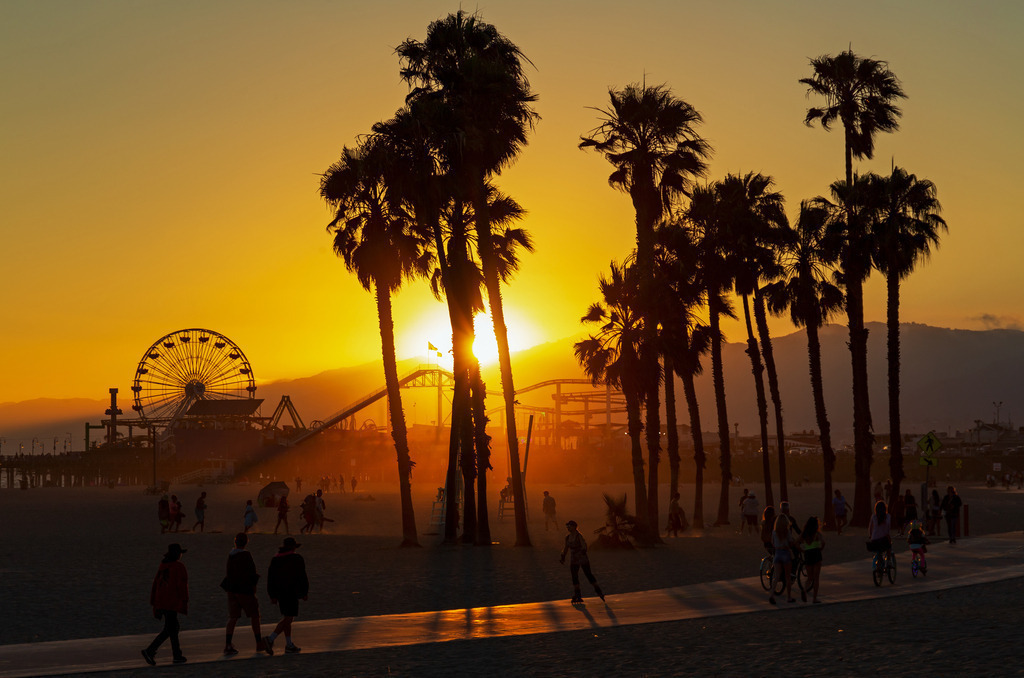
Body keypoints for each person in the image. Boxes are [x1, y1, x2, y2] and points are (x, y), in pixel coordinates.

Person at [220, 533, 269, 655]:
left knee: (233, 617)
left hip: (231, 589)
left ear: (235, 542)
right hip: (244, 590)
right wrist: (253, 588)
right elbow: (252, 573)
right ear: (246, 542)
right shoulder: (246, 555)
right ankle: (258, 643)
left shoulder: (231, 555)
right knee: (255, 616)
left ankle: (228, 644)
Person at [141, 543, 189, 666]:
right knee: (171, 628)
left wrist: (155, 603)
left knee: (172, 627)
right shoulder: (178, 567)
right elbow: (181, 585)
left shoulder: (163, 566)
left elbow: (156, 584)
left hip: (162, 601)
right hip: (170, 602)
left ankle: (176, 654)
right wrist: (184, 600)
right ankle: (151, 651)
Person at [264, 537, 308, 655]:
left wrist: (272, 595)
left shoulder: (275, 559)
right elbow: (302, 576)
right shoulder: (297, 558)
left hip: (280, 593)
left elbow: (270, 579)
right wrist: (304, 592)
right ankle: (270, 639)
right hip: (291, 592)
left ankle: (289, 644)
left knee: (288, 617)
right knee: (288, 618)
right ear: (293, 547)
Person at [560, 520, 604, 604]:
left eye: (569, 526)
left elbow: (584, 545)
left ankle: (598, 590)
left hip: (582, 558)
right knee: (574, 576)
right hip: (574, 559)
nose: (568, 528)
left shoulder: (579, 536)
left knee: (588, 574)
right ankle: (578, 595)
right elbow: (566, 548)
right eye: (567, 526)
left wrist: (583, 551)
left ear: (574, 527)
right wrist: (563, 556)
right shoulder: (567, 537)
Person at [769, 515, 799, 605]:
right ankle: (789, 597)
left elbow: (772, 543)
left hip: (777, 553)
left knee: (776, 576)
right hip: (785, 553)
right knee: (788, 577)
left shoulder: (774, 532)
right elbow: (791, 543)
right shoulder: (787, 532)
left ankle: (771, 595)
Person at [800, 516, 825, 603]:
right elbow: (823, 542)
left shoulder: (804, 534)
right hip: (816, 554)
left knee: (810, 578)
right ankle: (814, 598)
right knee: (816, 578)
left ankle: (804, 590)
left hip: (808, 554)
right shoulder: (817, 534)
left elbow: (796, 542)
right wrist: (820, 548)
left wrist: (802, 550)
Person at [867, 500, 893, 571]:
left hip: (874, 540)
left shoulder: (873, 516)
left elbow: (870, 528)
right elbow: (888, 528)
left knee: (878, 551)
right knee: (889, 547)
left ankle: (878, 565)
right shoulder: (888, 516)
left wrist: (870, 535)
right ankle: (888, 561)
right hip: (883, 539)